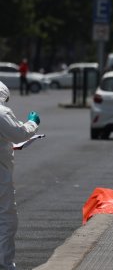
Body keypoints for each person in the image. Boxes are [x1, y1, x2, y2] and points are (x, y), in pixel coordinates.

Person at [0, 81, 40, 269]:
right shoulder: (2, 112)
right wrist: (33, 122)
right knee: (6, 220)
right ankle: (5, 265)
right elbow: (19, 134)